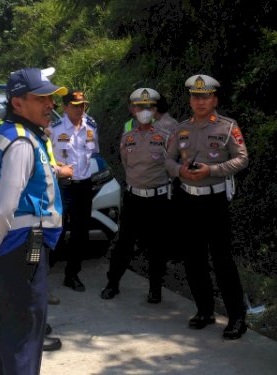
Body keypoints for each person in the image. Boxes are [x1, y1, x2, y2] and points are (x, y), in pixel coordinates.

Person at [0, 67, 67, 375]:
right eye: (41, 98)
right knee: (23, 341)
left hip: (9, 248)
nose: (50, 104)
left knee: (2, 334)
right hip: (20, 250)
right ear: (17, 103)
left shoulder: (8, 133)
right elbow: (3, 208)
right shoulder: (22, 143)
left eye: (51, 98)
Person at [164, 74, 249, 340]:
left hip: (215, 200)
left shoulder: (227, 127)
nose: (199, 102)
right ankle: (204, 310)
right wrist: (179, 170)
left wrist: (212, 169)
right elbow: (167, 158)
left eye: (205, 96)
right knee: (193, 257)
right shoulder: (180, 128)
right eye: (195, 96)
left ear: (215, 99)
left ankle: (237, 318)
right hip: (189, 199)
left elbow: (242, 159)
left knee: (222, 259)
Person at [101, 88, 171, 303]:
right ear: (132, 109)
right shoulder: (127, 136)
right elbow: (126, 164)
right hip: (133, 198)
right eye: (139, 107)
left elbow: (172, 165)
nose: (144, 111)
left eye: (149, 107)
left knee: (157, 245)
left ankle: (155, 289)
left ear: (155, 109)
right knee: (123, 243)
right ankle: (113, 284)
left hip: (158, 199)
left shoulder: (166, 137)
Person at [49, 89, 100, 292]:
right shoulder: (54, 129)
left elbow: (94, 153)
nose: (81, 109)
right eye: (76, 105)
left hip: (84, 185)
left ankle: (72, 274)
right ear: (65, 107)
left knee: (81, 232)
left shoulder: (91, 127)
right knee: (56, 229)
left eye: (83, 105)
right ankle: (45, 266)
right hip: (63, 186)